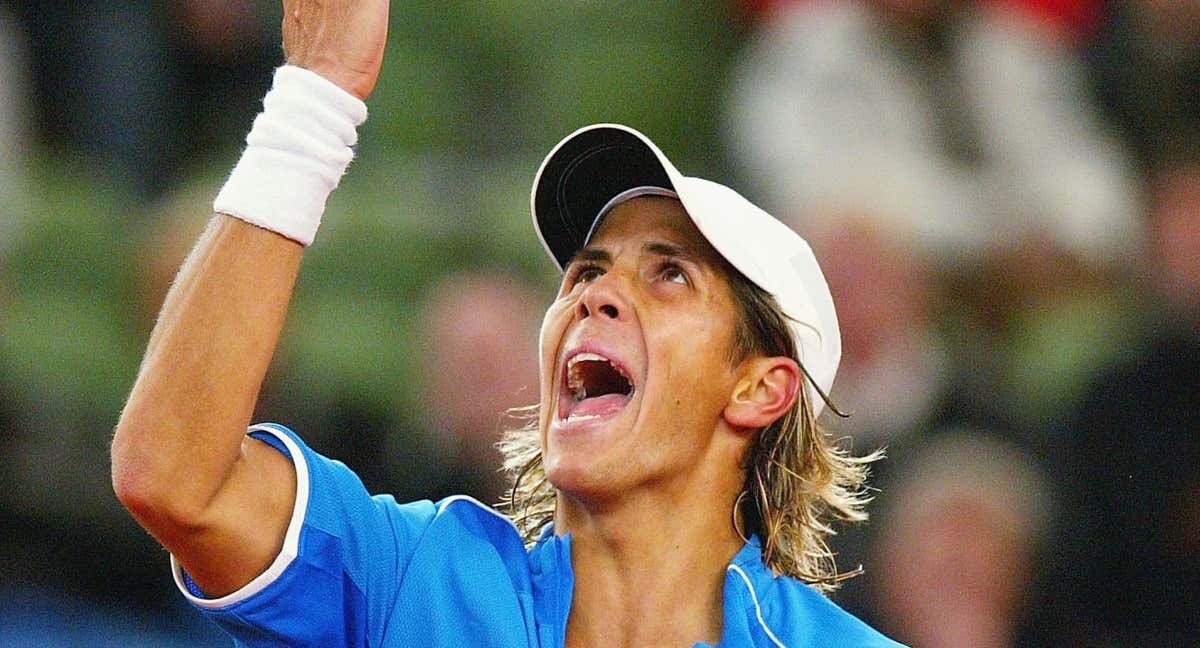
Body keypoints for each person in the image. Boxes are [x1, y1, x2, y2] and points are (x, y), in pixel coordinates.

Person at [110, 1, 901, 645]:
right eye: (587, 271)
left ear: (761, 387)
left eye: (669, 274)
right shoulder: (415, 576)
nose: (595, 294)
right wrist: (313, 101)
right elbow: (178, 480)